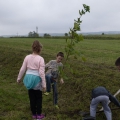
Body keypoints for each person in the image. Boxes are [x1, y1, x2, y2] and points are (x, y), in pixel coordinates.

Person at [17, 40, 46, 120]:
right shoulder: (40, 59)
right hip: (37, 79)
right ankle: (39, 116)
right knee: (39, 98)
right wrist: (44, 85)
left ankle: (34, 115)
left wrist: (19, 78)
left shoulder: (27, 57)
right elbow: (41, 72)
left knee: (32, 98)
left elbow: (23, 69)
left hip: (28, 78)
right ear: (40, 49)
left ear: (32, 48)